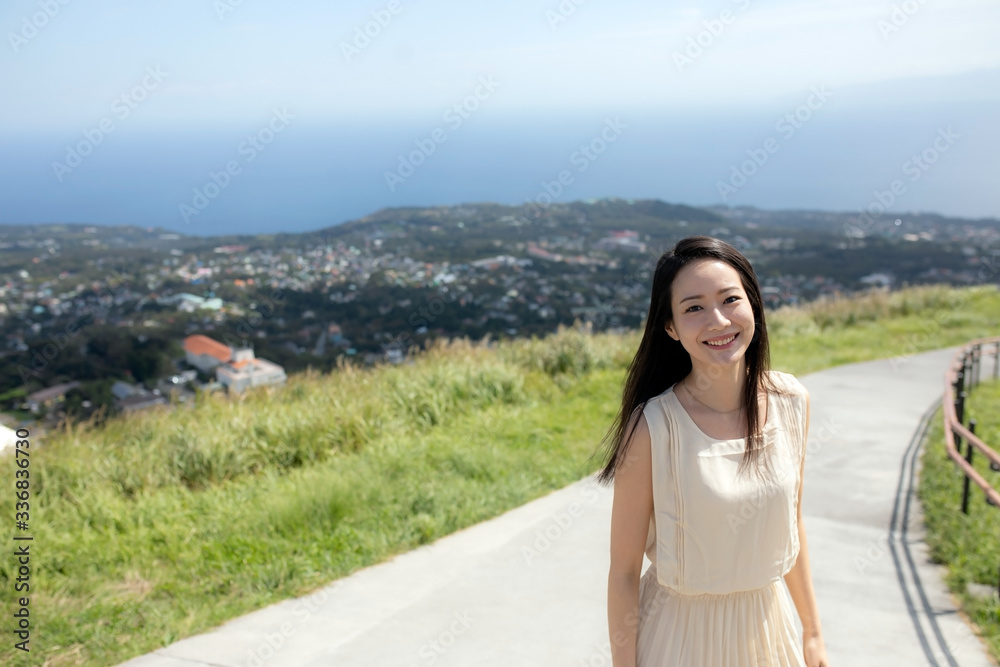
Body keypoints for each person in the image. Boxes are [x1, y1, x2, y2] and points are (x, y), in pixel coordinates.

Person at [595, 235, 829, 666]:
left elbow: (789, 525)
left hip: (768, 635)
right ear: (670, 327)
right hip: (678, 640)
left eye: (730, 299)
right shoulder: (652, 427)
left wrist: (812, 633)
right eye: (694, 308)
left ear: (753, 305)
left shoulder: (791, 402)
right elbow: (624, 573)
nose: (718, 321)